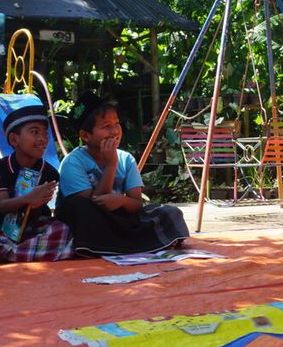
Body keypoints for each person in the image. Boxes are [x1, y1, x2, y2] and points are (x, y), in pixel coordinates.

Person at [55, 92, 189, 256]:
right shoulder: (72, 163)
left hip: (119, 218)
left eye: (116, 123)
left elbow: (137, 203)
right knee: (79, 207)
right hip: (93, 221)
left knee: (169, 212)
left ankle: (122, 244)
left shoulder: (126, 159)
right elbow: (93, 206)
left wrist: (121, 200)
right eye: (106, 127)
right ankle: (128, 244)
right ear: (85, 136)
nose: (114, 131)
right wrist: (111, 165)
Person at [0, 105, 74, 266]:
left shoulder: (50, 172)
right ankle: (22, 253)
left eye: (45, 133)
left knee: (63, 231)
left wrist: (35, 205)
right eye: (35, 132)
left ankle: (2, 256)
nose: (43, 139)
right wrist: (29, 198)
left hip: (35, 229)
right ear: (14, 139)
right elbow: (2, 206)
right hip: (1, 229)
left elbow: (36, 215)